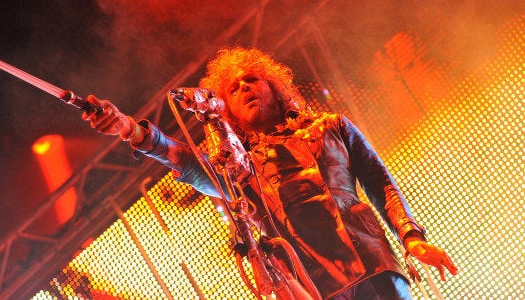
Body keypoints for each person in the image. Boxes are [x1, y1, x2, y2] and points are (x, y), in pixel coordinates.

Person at [82, 47, 458, 299]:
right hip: (311, 284)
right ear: (225, 108)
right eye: (233, 87)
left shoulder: (332, 126)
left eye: (252, 79)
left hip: (373, 264)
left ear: (275, 88)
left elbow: (380, 183)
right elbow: (181, 158)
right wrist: (129, 128)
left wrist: (410, 237)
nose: (244, 86)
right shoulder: (236, 165)